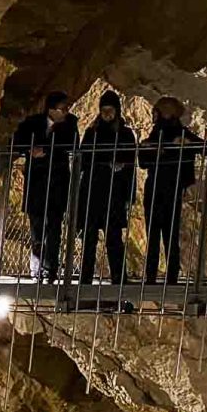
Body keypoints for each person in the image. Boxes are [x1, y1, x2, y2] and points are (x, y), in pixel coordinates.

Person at [13, 91, 80, 282]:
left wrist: (47, 151)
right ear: (52, 110)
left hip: (57, 182)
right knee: (37, 229)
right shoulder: (32, 123)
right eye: (63, 109)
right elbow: (18, 141)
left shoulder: (69, 124)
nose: (66, 112)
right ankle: (36, 270)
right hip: (37, 183)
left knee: (54, 229)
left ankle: (50, 269)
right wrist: (29, 150)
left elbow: (72, 145)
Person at [74, 90, 137, 284]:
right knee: (89, 239)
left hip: (114, 193)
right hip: (94, 191)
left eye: (110, 110)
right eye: (104, 110)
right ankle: (85, 278)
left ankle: (119, 278)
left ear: (117, 110)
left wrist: (127, 191)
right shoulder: (92, 132)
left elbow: (130, 161)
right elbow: (83, 157)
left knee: (114, 239)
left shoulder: (125, 134)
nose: (107, 114)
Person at [139, 95, 203, 285]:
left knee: (168, 233)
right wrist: (149, 149)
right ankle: (154, 275)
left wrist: (181, 146)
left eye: (156, 111)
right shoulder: (154, 134)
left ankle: (168, 276)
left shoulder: (180, 134)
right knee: (156, 233)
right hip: (157, 187)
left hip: (170, 188)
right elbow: (143, 162)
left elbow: (205, 147)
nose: (153, 115)